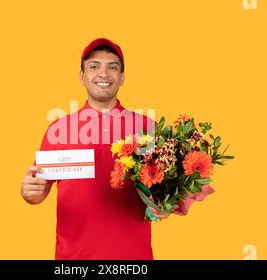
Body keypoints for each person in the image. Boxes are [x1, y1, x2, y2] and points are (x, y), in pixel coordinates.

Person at [21, 38, 170, 260]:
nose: (103, 73)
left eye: (112, 67)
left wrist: (165, 204)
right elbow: (39, 192)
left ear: (122, 78)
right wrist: (29, 191)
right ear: (82, 77)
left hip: (132, 258)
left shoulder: (146, 128)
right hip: (74, 259)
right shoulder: (59, 129)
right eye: (94, 66)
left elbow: (162, 189)